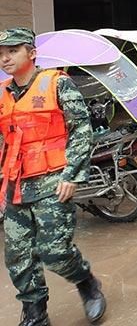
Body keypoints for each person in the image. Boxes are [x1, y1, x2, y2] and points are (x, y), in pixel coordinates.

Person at [0, 28, 106, 325]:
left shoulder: (58, 84)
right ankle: (35, 313)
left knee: (55, 251)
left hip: (53, 181)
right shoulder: (3, 92)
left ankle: (86, 282)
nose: (5, 58)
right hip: (15, 185)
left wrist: (72, 175)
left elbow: (81, 130)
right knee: (18, 256)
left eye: (12, 51)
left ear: (31, 53)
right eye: (0, 54)